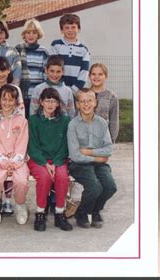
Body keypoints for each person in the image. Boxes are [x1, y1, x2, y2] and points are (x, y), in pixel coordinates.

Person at [67, 88, 117, 229]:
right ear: (77, 105)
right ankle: (82, 213)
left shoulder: (101, 123)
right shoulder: (73, 125)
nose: (86, 104)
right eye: (82, 101)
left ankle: (95, 210)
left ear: (95, 102)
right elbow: (75, 155)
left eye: (89, 100)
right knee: (94, 187)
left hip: (98, 164)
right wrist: (97, 158)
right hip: (79, 165)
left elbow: (108, 149)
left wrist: (88, 152)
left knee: (110, 186)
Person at [27, 87, 73, 232]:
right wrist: (45, 163)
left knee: (62, 177)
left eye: (54, 101)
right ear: (41, 102)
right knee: (45, 178)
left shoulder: (65, 121)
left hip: (59, 159)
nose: (50, 104)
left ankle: (60, 212)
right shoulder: (33, 120)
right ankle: (40, 212)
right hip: (39, 159)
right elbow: (32, 146)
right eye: (47, 100)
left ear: (58, 104)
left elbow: (65, 146)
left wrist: (57, 162)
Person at [0, 85, 30, 226]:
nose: (7, 102)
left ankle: (20, 205)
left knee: (22, 181)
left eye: (11, 100)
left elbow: (22, 142)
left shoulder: (22, 121)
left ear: (16, 102)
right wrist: (5, 162)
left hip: (18, 160)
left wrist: (15, 162)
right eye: (4, 99)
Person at [15, 18, 50, 118]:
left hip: (37, 95)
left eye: (34, 32)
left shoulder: (43, 51)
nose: (31, 35)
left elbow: (45, 74)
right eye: (28, 32)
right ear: (24, 34)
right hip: (21, 94)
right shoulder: (18, 49)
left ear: (38, 34)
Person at [50, 13, 90, 94]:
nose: (70, 30)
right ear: (62, 30)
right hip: (57, 90)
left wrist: (73, 90)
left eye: (73, 27)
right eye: (67, 27)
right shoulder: (56, 45)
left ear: (79, 29)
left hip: (75, 92)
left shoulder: (84, 50)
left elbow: (84, 72)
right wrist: (60, 88)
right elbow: (52, 68)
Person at [89, 63, 119, 143]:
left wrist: (112, 140)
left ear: (106, 76)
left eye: (100, 74)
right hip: (85, 139)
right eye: (93, 74)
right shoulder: (83, 94)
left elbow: (114, 121)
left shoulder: (112, 97)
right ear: (89, 76)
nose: (96, 77)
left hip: (103, 140)